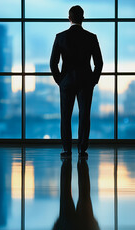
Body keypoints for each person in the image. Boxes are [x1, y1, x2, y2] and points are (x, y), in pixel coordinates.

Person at [50, 5, 103, 158]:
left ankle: (66, 149)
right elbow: (99, 63)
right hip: (86, 81)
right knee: (84, 115)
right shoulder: (91, 37)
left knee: (65, 116)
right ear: (83, 18)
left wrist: (60, 80)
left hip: (66, 82)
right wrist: (93, 80)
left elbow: (53, 63)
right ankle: (82, 149)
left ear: (69, 18)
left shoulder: (60, 37)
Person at [50, 157, 102, 230]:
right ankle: (67, 156)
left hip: (84, 227)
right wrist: (59, 223)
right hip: (68, 227)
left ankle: (81, 158)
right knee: (65, 191)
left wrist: (93, 223)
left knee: (84, 193)